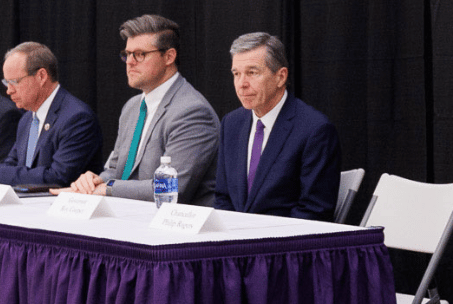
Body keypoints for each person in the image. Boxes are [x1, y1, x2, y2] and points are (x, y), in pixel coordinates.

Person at [54, 14, 219, 206]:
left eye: (140, 54)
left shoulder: (192, 111)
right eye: (127, 54)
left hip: (176, 226)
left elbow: (170, 189)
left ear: (169, 56)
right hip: (130, 216)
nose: (130, 62)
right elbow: (116, 170)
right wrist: (93, 181)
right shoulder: (132, 107)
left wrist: (107, 188)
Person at [215, 32, 341, 221]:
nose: (242, 84)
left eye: (252, 72)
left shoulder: (315, 130)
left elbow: (314, 211)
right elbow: (223, 198)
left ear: (281, 77)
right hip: (235, 243)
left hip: (285, 246)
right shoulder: (231, 123)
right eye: (236, 74)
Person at [0, 41, 103, 187]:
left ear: (41, 76)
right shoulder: (27, 119)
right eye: (6, 82)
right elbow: (12, 164)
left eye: (14, 82)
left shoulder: (77, 118)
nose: (8, 90)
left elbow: (58, 177)